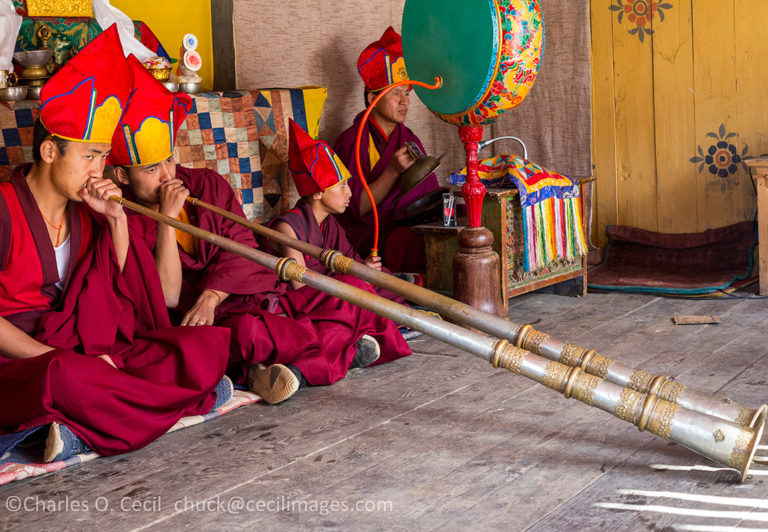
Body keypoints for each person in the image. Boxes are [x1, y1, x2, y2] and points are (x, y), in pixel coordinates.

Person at [110, 57, 411, 405]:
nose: (167, 176)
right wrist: (167, 218)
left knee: (348, 294)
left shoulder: (206, 185)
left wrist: (212, 295)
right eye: (151, 169)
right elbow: (170, 299)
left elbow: (244, 249)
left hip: (243, 295)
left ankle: (292, 365)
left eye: (169, 159)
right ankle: (323, 355)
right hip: (209, 319)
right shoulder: (125, 216)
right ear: (121, 176)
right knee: (248, 333)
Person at [0, 26, 231, 463]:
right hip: (22, 360)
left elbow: (151, 302)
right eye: (89, 155)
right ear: (50, 152)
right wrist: (58, 357)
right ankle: (155, 406)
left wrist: (118, 221)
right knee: (63, 376)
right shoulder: (4, 209)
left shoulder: (86, 211)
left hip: (78, 347)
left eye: (104, 156)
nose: (98, 170)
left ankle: (78, 429)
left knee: (199, 346)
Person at [333, 26, 441, 273]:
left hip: (407, 224)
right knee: (422, 246)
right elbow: (357, 208)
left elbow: (426, 193)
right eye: (396, 94)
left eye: (406, 93)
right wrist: (392, 171)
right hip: (369, 239)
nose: (405, 102)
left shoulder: (408, 138)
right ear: (373, 99)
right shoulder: (352, 141)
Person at [269, 119, 405, 304]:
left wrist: (365, 269)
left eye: (347, 184)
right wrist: (359, 278)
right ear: (317, 192)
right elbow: (301, 288)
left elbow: (351, 262)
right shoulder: (288, 228)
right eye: (341, 185)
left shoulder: (329, 223)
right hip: (308, 299)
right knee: (361, 289)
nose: (349, 192)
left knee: (384, 280)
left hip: (332, 288)